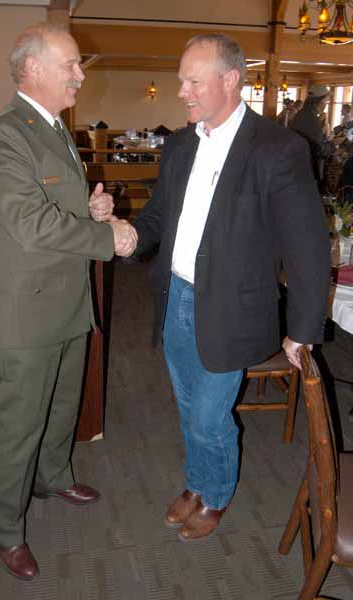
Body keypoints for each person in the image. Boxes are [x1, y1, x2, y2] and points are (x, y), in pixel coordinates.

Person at [130, 34, 330, 543]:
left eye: (193, 81)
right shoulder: (179, 144)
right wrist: (125, 233)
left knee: (209, 416)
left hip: (232, 310)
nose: (182, 92)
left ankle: (214, 493)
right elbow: (157, 218)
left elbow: (306, 246)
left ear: (230, 80)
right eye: (181, 81)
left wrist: (302, 329)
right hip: (176, 298)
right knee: (186, 406)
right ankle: (197, 483)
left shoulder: (278, 148)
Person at [0, 22, 137, 580]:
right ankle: (6, 528)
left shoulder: (59, 131)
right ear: (33, 69)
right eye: (71, 65)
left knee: (64, 406)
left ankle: (54, 475)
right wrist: (105, 237)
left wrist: (90, 210)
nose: (80, 75)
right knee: (19, 423)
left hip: (67, 300)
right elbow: (29, 222)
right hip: (27, 310)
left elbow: (56, 205)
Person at [289, 84, 333, 189]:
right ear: (320, 101)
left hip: (297, 168)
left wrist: (326, 140)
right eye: (326, 101)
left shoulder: (302, 115)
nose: (326, 104)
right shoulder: (310, 120)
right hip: (307, 171)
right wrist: (332, 145)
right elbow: (319, 150)